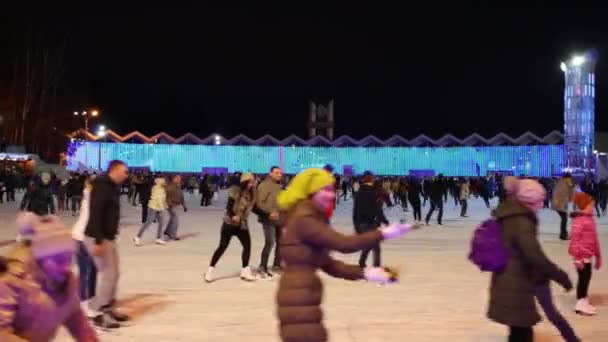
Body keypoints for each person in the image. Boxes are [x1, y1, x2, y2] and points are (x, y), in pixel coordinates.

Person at [276, 168, 412, 342]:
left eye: (332, 190)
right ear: (311, 193)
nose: (331, 195)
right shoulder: (304, 218)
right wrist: (383, 234)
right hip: (298, 300)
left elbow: (328, 264)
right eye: (325, 190)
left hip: (301, 297)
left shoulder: (307, 217)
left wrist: (367, 274)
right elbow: (344, 244)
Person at [488, 177, 576, 342]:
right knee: (522, 332)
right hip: (520, 282)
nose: (541, 206)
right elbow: (535, 256)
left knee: (518, 331)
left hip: (509, 280)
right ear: (530, 201)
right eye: (539, 202)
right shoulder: (521, 220)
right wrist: (561, 276)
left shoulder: (509, 213)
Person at [0, 213, 99, 341]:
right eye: (57, 260)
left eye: (68, 259)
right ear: (41, 258)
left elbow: (77, 322)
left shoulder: (66, 283)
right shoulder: (12, 281)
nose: (65, 266)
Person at [83, 160, 130, 329]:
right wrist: (98, 240)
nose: (127, 175)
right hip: (99, 237)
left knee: (114, 273)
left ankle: (108, 307)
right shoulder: (102, 186)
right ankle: (100, 312)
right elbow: (96, 212)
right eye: (125, 171)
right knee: (109, 274)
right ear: (115, 170)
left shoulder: (111, 187)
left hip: (107, 237)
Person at [205, 173, 263, 282]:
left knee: (247, 246)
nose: (252, 184)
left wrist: (267, 215)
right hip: (229, 223)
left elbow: (254, 208)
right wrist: (233, 216)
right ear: (244, 182)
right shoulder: (235, 190)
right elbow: (229, 206)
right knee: (222, 247)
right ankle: (210, 270)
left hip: (242, 224)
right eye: (250, 182)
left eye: (253, 181)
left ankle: (245, 271)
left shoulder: (253, 193)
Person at [72, 177, 100, 321]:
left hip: (80, 238)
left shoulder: (89, 199)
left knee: (92, 270)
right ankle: (84, 306)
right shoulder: (91, 201)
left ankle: (87, 301)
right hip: (82, 239)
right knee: (87, 272)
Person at [569, 192, 602, 316]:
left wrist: (598, 256)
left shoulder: (589, 219)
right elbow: (574, 241)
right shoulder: (579, 221)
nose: (592, 208)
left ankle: (583, 299)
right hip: (581, 256)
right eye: (590, 206)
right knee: (583, 278)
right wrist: (578, 258)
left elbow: (594, 239)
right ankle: (580, 303)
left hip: (588, 255)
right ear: (583, 206)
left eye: (593, 205)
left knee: (586, 277)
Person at [353, 171, 388, 269]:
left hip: (362, 222)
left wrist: (356, 224)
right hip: (369, 223)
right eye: (372, 177)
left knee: (369, 245)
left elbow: (355, 209)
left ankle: (361, 263)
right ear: (370, 179)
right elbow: (376, 209)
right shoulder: (371, 192)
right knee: (376, 247)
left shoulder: (360, 191)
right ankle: (376, 268)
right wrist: (384, 220)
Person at [255, 166, 282, 278]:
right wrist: (270, 213)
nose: (279, 174)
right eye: (276, 172)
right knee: (270, 242)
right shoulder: (264, 185)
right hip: (268, 219)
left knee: (281, 242)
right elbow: (259, 203)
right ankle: (263, 266)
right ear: (270, 174)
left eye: (280, 173)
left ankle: (277, 265)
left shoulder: (278, 186)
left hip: (279, 218)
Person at [134, 175, 169, 245]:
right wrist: (163, 209)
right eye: (163, 181)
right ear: (160, 182)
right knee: (148, 223)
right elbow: (159, 200)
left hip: (157, 208)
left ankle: (158, 238)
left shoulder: (160, 188)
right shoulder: (158, 189)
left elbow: (163, 200)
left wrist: (166, 206)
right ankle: (137, 237)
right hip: (153, 208)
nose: (165, 182)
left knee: (161, 223)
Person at [164, 174, 188, 241]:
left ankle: (167, 231)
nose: (179, 180)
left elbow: (181, 197)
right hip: (171, 205)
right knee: (176, 221)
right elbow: (166, 195)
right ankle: (173, 235)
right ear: (174, 179)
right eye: (178, 178)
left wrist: (184, 205)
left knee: (172, 219)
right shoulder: (170, 186)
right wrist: (169, 204)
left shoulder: (178, 186)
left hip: (176, 205)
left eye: (180, 178)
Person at [553, 173, 575, 240]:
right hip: (560, 204)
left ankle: (563, 234)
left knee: (564, 218)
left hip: (558, 203)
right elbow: (568, 193)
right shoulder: (566, 182)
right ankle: (563, 235)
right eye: (570, 178)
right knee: (564, 218)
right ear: (568, 177)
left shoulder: (560, 182)